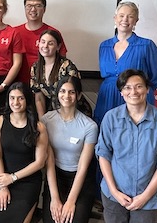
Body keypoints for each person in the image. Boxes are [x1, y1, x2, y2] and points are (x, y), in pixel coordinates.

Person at [96, 69, 157, 223]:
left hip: (150, 199)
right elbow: (103, 154)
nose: (133, 91)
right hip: (114, 195)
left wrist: (144, 197)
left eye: (138, 86)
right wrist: (114, 191)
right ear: (121, 92)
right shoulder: (111, 118)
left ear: (147, 89)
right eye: (127, 87)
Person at [94, 1, 157, 125]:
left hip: (134, 96)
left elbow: (156, 77)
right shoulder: (104, 46)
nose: (125, 19)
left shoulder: (146, 45)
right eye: (121, 15)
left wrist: (137, 92)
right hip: (107, 96)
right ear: (115, 18)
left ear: (136, 20)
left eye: (130, 16)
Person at [41, 76, 98, 223]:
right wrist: (54, 198)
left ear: (78, 95)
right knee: (53, 219)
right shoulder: (46, 120)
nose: (67, 96)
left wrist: (71, 201)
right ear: (57, 94)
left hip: (80, 178)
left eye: (72, 92)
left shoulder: (89, 126)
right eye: (63, 91)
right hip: (56, 175)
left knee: (73, 219)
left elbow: (83, 167)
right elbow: (49, 161)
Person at [0, 82, 48, 223]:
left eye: (20, 98)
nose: (15, 102)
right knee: (1, 220)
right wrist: (3, 185)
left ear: (27, 100)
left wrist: (13, 177)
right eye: (12, 98)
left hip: (28, 181)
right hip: (5, 179)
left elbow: (40, 162)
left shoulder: (38, 127)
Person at [30, 30, 87, 119]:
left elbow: (71, 96)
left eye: (50, 43)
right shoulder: (36, 67)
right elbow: (39, 97)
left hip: (72, 111)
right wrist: (42, 120)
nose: (45, 46)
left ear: (58, 46)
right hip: (51, 111)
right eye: (43, 42)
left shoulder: (67, 66)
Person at [15, 0, 68, 84]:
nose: (33, 9)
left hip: (45, 85)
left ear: (44, 9)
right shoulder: (15, 32)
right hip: (18, 84)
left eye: (38, 6)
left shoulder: (53, 33)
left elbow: (62, 61)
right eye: (29, 6)